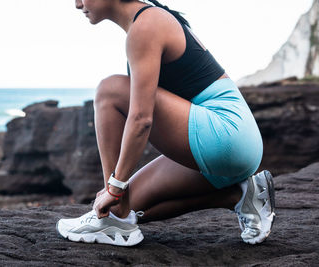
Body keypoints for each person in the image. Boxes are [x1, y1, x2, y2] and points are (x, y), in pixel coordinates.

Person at [57, 0, 275, 246]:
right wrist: (119, 195)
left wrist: (114, 188)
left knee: (110, 91)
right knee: (128, 210)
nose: (77, 4)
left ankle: (112, 214)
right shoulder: (146, 22)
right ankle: (242, 195)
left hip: (225, 132)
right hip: (232, 143)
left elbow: (141, 119)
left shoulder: (147, 24)